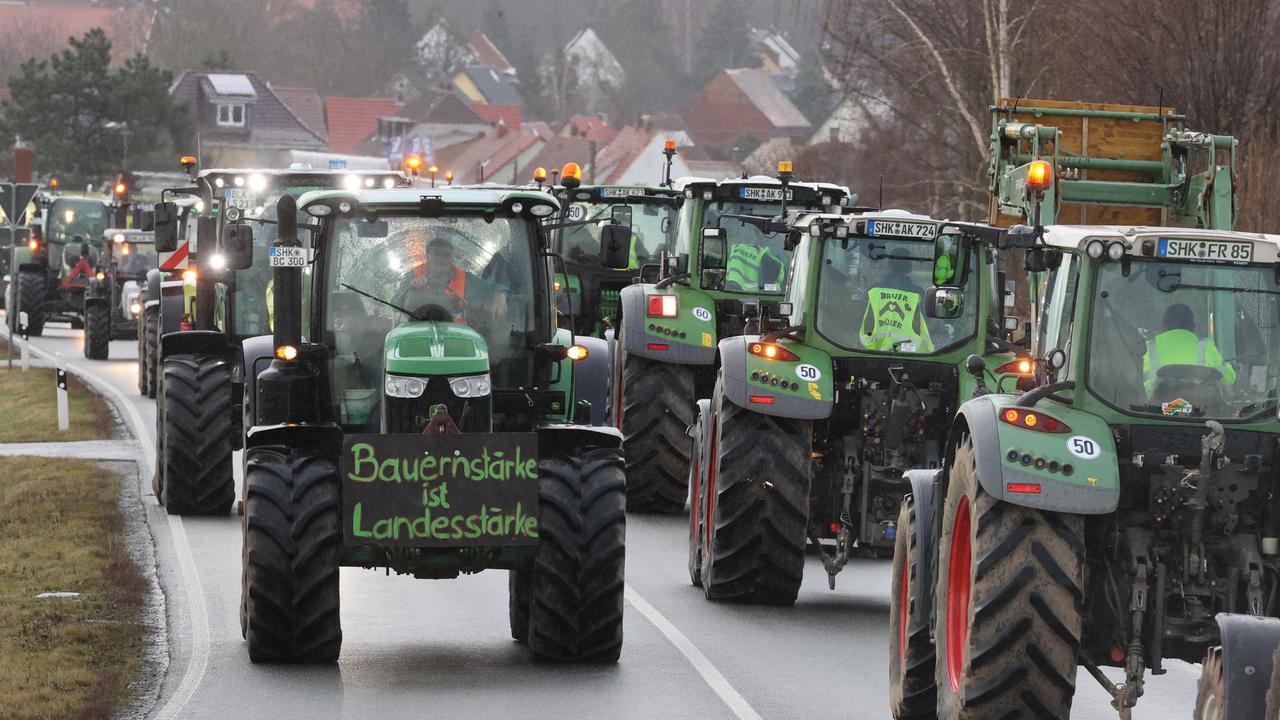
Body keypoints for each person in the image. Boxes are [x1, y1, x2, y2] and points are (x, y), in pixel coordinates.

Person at [1141, 303, 1236, 394]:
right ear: (1193, 327)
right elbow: (1229, 379)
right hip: (1202, 408)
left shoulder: (1148, 347)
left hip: (1154, 409)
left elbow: (1135, 382)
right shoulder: (1206, 346)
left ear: (1163, 326)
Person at [859, 256, 934, 353]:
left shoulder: (872, 291)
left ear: (889, 267)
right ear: (909, 268)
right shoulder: (918, 294)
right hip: (910, 355)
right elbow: (930, 322)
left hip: (869, 354)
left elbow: (859, 316)